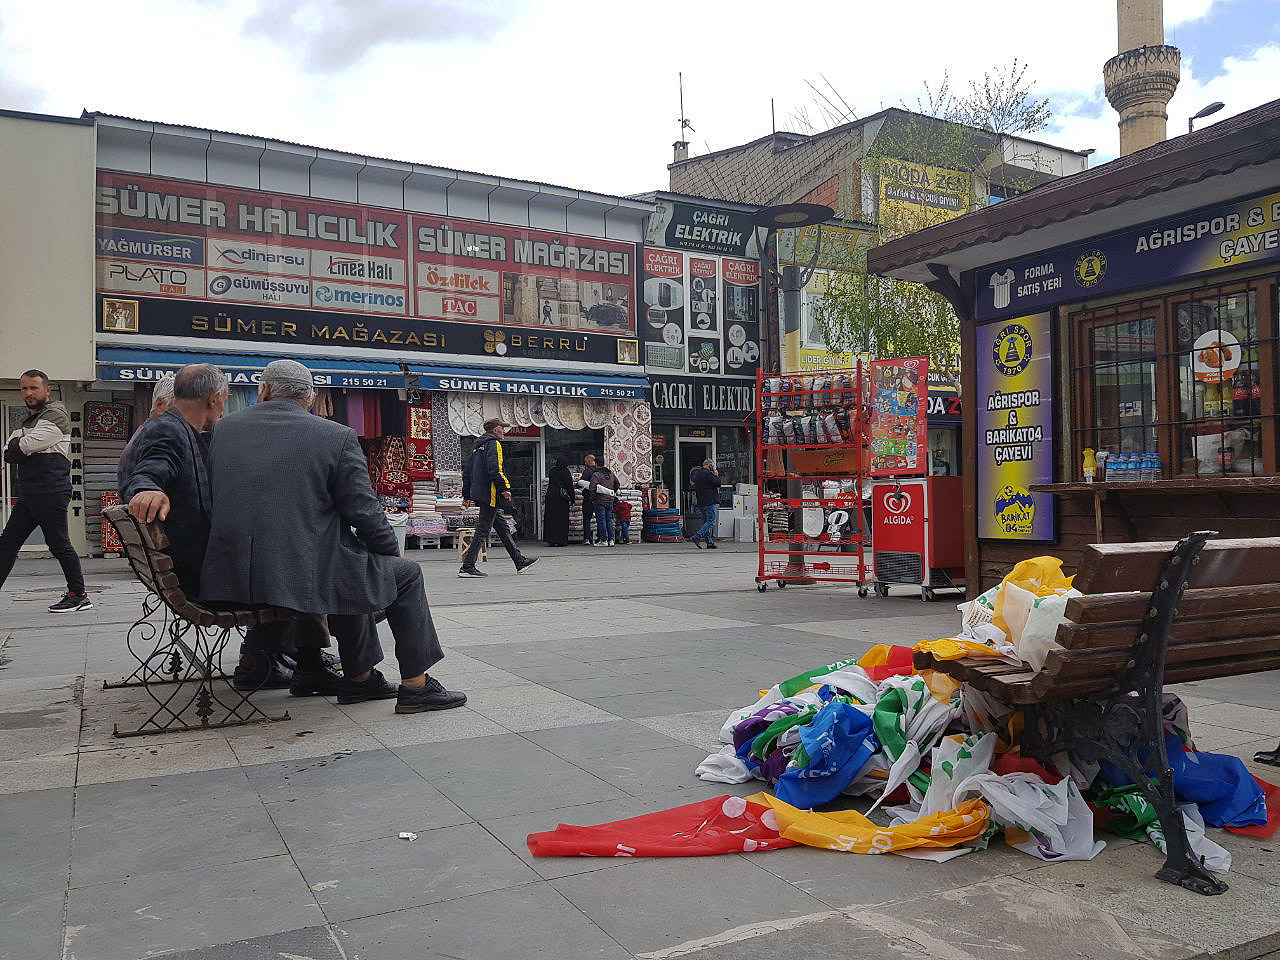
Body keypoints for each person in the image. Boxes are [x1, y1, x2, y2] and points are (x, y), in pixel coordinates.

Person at [200, 360, 465, 715]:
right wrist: (390, 553)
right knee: (401, 575)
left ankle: (360, 677)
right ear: (311, 399)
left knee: (351, 563)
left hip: (228, 575)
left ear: (263, 391)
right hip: (292, 575)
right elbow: (364, 510)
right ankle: (415, 685)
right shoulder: (334, 436)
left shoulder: (223, 429)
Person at [117, 363, 322, 692]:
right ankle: (294, 660)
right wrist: (146, 487)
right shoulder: (167, 430)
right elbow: (153, 466)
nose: (225, 406)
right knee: (297, 565)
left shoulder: (181, 428)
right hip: (202, 579)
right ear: (214, 398)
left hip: (183, 570)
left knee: (284, 557)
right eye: (226, 399)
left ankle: (277, 657)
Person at [0, 370, 90, 612]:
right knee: (8, 543)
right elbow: (9, 452)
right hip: (31, 492)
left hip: (50, 491)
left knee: (58, 543)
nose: (28, 393)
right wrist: (18, 445)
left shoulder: (55, 416)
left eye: (34, 388)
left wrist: (19, 443)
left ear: (47, 390)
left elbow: (23, 446)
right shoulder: (30, 420)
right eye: (24, 388)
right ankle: (78, 594)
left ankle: (79, 595)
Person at [459, 417, 537, 578]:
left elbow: (466, 473)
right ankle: (467, 566)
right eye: (502, 428)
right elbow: (496, 469)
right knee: (483, 529)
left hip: (480, 493)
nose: (504, 431)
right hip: (491, 493)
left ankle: (519, 561)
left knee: (502, 527)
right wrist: (504, 488)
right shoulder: (494, 444)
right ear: (495, 430)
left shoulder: (475, 448)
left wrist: (466, 494)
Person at [543, 454, 576, 547]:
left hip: (550, 496)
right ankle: (561, 540)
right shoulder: (566, 472)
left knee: (551, 518)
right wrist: (572, 499)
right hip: (561, 498)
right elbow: (569, 486)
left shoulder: (552, 471)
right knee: (561, 519)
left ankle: (551, 539)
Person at [690, 459, 722, 549]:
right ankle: (697, 536)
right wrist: (716, 475)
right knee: (711, 521)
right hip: (709, 501)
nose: (713, 467)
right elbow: (717, 483)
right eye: (712, 465)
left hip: (701, 502)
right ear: (709, 465)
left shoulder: (698, 474)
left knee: (705, 522)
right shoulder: (708, 474)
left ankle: (709, 542)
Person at [589, 463, 620, 547]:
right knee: (609, 520)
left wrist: (592, 498)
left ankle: (604, 540)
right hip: (610, 500)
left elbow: (592, 488)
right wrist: (612, 491)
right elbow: (617, 483)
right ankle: (611, 540)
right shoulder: (611, 474)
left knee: (601, 520)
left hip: (599, 501)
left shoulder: (596, 475)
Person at [580, 453, 600, 544]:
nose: (584, 463)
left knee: (587, 518)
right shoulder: (600, 471)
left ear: (589, 461)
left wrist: (576, 485)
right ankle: (600, 537)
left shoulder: (587, 471)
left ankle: (587, 538)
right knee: (600, 518)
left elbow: (581, 483)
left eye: (585, 461)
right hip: (599, 497)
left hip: (588, 497)